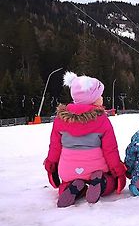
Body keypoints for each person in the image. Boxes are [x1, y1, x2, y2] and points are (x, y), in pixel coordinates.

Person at [44, 72, 126, 208]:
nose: (101, 98)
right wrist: (118, 171)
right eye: (99, 95)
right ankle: (101, 183)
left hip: (68, 170)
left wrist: (51, 166)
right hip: (96, 169)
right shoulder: (101, 119)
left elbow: (55, 147)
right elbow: (110, 150)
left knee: (66, 183)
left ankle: (71, 188)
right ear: (92, 99)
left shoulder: (61, 119)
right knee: (109, 182)